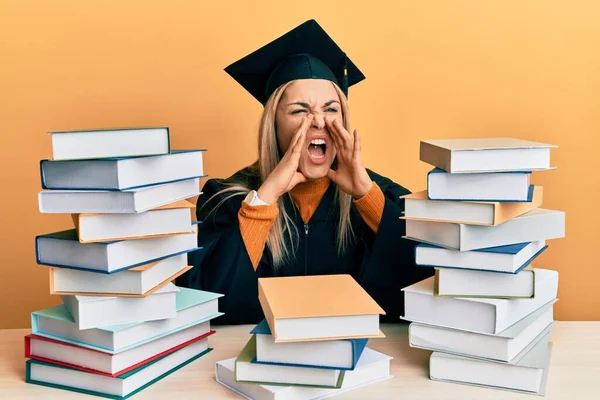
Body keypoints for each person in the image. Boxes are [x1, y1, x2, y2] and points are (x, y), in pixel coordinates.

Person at [177, 19, 433, 325]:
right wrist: (263, 200)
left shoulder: (382, 196)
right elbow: (206, 302)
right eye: (299, 110)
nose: (319, 121)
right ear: (273, 124)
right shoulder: (225, 199)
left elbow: (427, 290)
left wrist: (368, 197)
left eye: (331, 109)